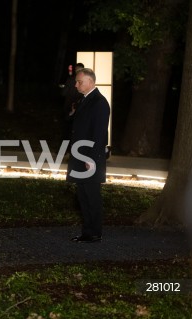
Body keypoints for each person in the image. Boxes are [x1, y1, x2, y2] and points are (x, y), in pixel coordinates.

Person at [66, 68, 110, 243]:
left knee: (91, 195)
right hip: (80, 155)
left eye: (79, 82)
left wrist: (90, 158)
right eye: (77, 82)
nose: (76, 85)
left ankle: (94, 232)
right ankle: (88, 231)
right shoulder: (84, 100)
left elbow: (99, 134)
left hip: (89, 157)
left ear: (91, 82)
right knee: (83, 195)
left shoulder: (99, 102)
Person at [61, 63, 85, 142]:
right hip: (79, 108)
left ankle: (64, 150)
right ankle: (74, 150)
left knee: (66, 130)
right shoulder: (84, 81)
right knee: (77, 130)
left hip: (69, 106)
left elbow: (64, 93)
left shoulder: (70, 79)